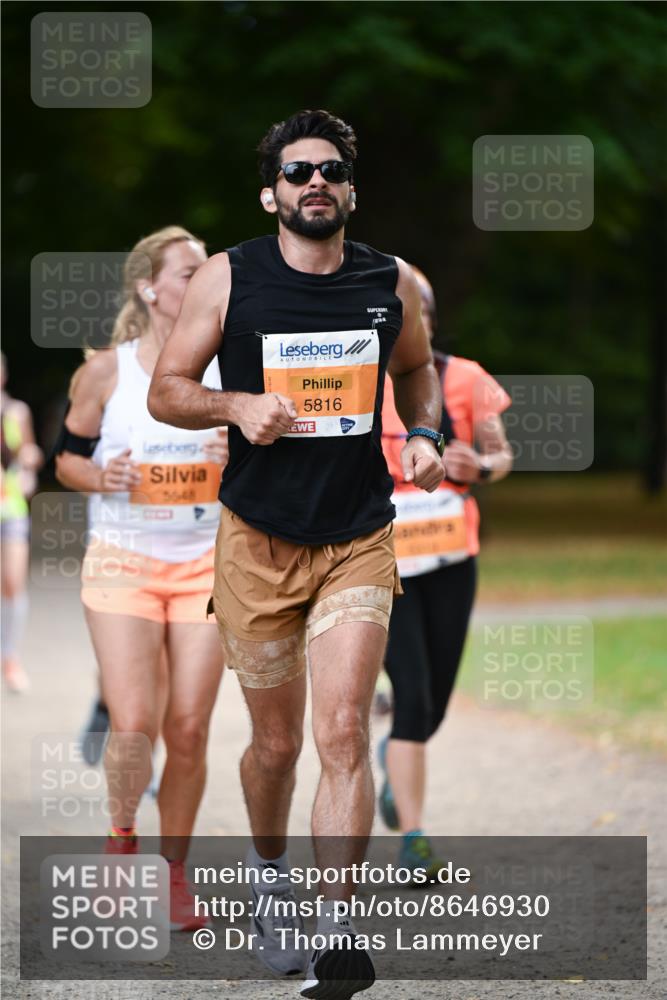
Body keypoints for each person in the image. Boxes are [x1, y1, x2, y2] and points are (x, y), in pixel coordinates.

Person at [148, 110, 445, 999]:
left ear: (349, 189)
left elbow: (418, 369)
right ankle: (271, 876)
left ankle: (337, 932)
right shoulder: (226, 277)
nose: (313, 182)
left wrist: (425, 432)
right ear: (271, 191)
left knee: (343, 730)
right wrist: (236, 407)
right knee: (275, 747)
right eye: (296, 171)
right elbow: (168, 390)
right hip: (257, 541)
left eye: (329, 171)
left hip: (356, 535)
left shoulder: (388, 281)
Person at [55, 226, 227, 931]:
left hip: (207, 565)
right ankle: (122, 837)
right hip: (123, 562)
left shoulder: (227, 367)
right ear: (149, 287)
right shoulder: (108, 372)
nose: (201, 280)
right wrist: (101, 474)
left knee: (187, 727)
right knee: (134, 724)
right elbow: (66, 458)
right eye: (187, 272)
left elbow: (271, 443)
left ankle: (174, 873)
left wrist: (237, 441)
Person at [377, 265, 513, 875]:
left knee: (434, 706)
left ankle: (395, 767)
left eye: (419, 311)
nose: (411, 322)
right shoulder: (356, 381)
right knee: (411, 697)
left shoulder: (467, 379)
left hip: (453, 556)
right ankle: (415, 838)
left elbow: (501, 453)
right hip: (383, 560)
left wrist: (480, 464)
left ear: (429, 317)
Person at [1, 353, 43, 692]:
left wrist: (30, 460)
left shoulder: (16, 412)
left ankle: (10, 658)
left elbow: (30, 451)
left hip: (10, 509)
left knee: (13, 584)